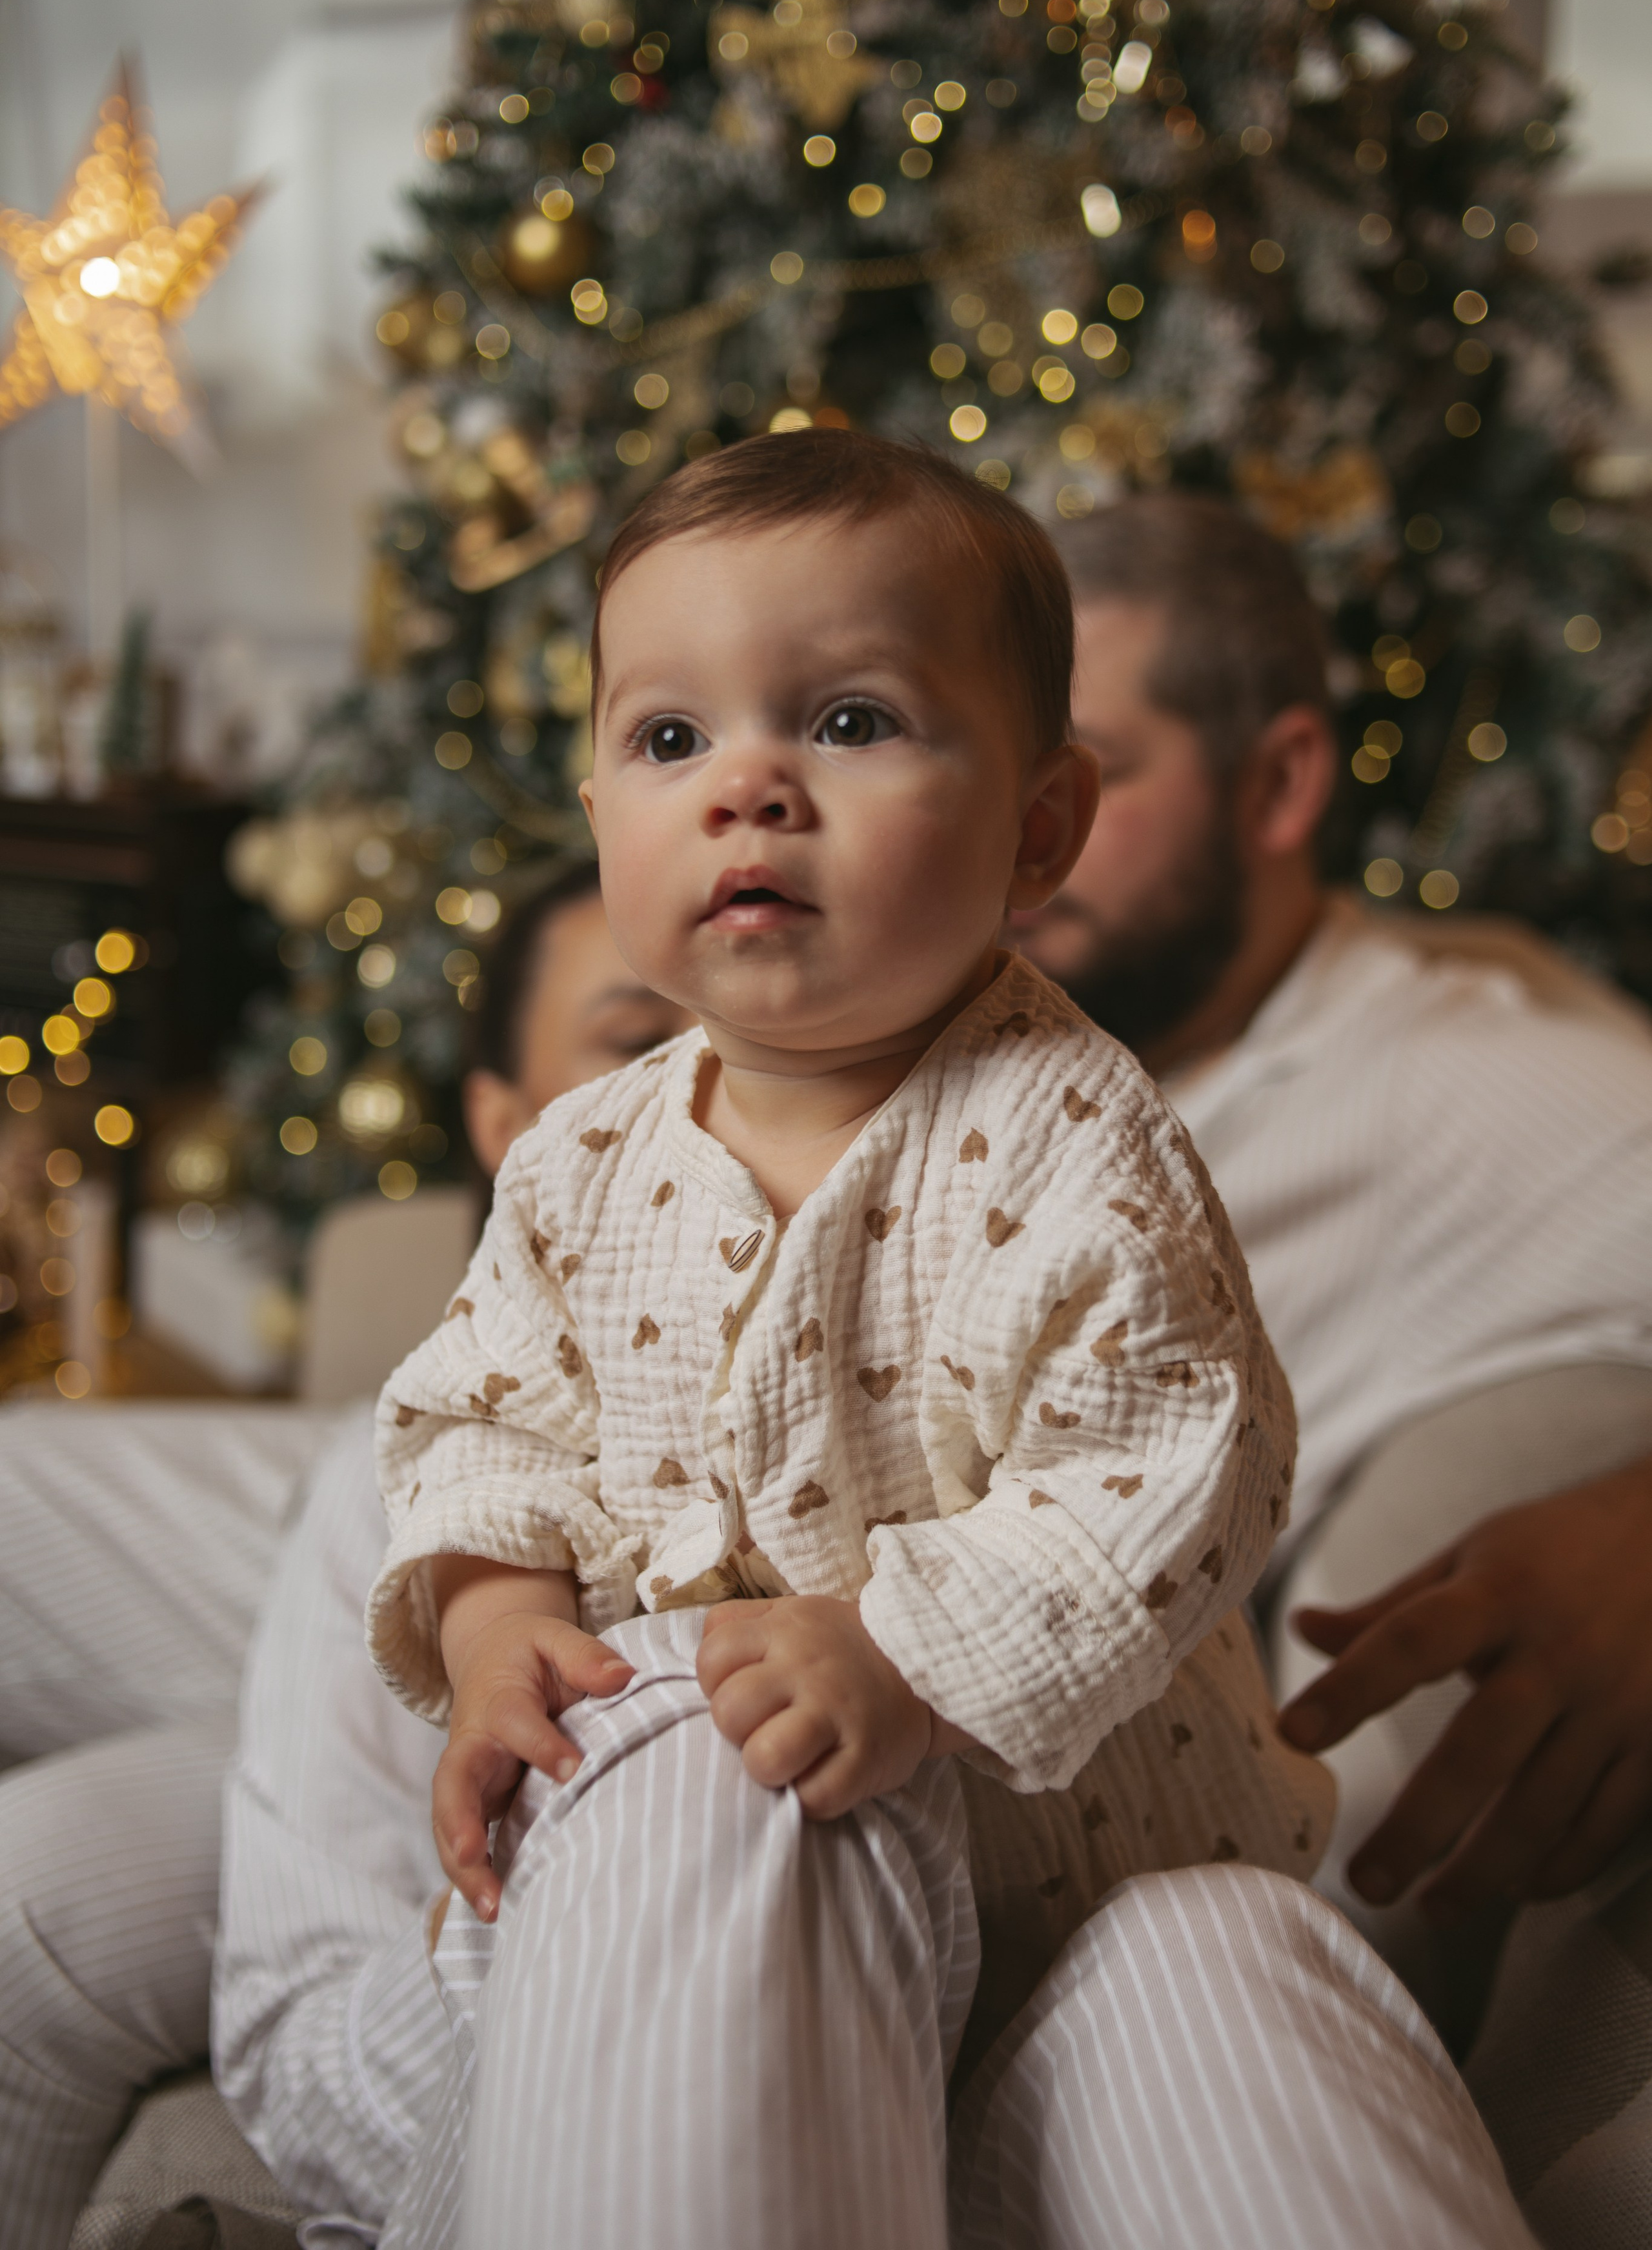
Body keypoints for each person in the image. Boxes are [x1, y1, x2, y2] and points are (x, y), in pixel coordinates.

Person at [360, 429, 1337, 2247]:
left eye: (851, 722)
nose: (749, 789)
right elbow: (484, 1424)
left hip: (1075, 1880)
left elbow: (1172, 1473)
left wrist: (908, 1655)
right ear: (598, 810)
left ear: (1040, 827)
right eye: (670, 739)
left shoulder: (1078, 1142)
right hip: (720, 1885)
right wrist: (497, 1627)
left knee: (1125, 2080)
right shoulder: (579, 1159)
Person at [1013, 489, 1652, 2230]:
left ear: (1281, 783)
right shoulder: (992, 1058)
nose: (1021, 833)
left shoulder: (1470, 1081)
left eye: (1090, 770)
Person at [0, 861, 687, 2250]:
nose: (707, 1086)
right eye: (636, 1038)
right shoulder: (405, 1474)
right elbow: (309, 2047)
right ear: (500, 1124)